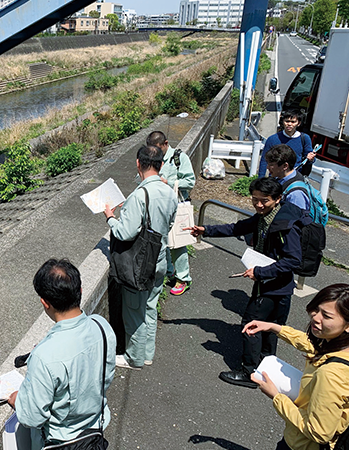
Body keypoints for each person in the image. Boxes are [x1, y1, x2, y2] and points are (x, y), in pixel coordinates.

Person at [187, 177, 303, 388]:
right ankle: (267, 372)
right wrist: (206, 230)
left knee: (250, 324)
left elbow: (294, 260)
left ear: (277, 199)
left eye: (264, 201)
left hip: (271, 284)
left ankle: (249, 372)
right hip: (279, 286)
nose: (258, 205)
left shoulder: (285, 225)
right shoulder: (267, 216)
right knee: (270, 329)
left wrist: (260, 271)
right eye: (255, 199)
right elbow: (238, 228)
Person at [8, 258, 116, 450]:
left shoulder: (45, 356)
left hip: (59, 446)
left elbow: (32, 416)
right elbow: (107, 376)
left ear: (45, 302)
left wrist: (18, 401)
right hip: (94, 433)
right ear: (80, 290)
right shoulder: (101, 326)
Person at [245, 284, 349, 450]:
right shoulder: (339, 345)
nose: (316, 317)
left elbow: (318, 432)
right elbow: (314, 346)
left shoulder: (330, 375)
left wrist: (277, 397)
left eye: (327, 315)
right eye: (317, 310)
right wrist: (274, 327)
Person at [104, 145, 177, 369]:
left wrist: (110, 218)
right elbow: (169, 223)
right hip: (160, 259)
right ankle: (147, 354)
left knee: (134, 311)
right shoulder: (169, 192)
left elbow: (125, 232)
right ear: (161, 165)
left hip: (140, 264)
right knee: (150, 308)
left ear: (138, 163)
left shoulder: (139, 195)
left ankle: (133, 358)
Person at [147, 130, 196, 296]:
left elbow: (190, 181)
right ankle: (169, 272)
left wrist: (170, 182)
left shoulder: (179, 158)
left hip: (177, 206)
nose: (155, 153)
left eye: (158, 148)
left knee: (179, 244)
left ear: (165, 143)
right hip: (159, 206)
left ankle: (183, 278)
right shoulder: (153, 157)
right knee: (162, 241)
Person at [258, 109, 315, 177]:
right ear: (283, 122)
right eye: (287, 121)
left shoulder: (305, 138)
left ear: (298, 123)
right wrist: (260, 179)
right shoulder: (272, 139)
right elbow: (264, 160)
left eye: (293, 122)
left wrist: (311, 159)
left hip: (295, 177)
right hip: (276, 177)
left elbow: (309, 158)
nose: (289, 124)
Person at [265, 144, 311, 212]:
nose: (267, 167)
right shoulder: (280, 179)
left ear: (285, 166)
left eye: (271, 165)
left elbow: (296, 220)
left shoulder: (296, 194)